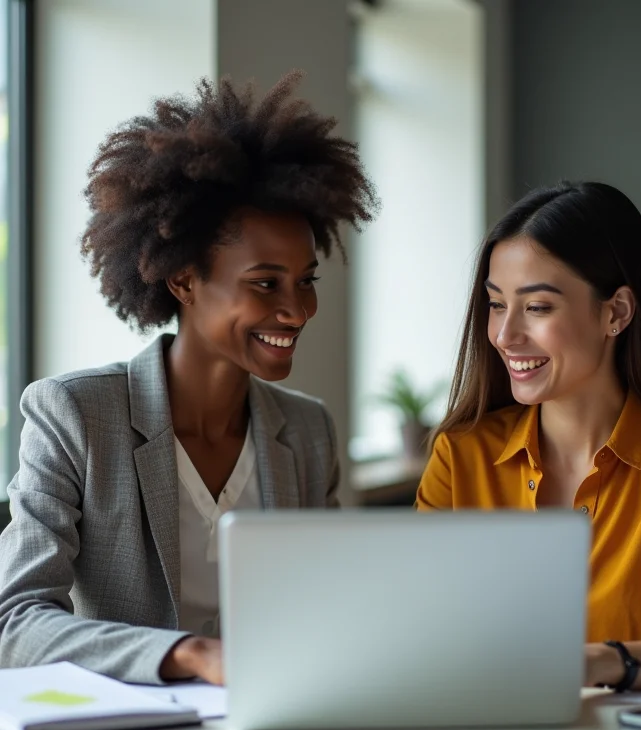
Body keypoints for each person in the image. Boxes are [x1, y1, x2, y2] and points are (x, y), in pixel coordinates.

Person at [0, 72, 377, 685]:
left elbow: (326, 609)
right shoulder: (73, 414)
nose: (297, 309)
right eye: (265, 283)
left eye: (306, 280)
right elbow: (14, 622)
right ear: (184, 281)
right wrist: (191, 656)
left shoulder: (308, 431)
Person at [417, 181, 641, 692]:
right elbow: (420, 626)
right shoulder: (460, 454)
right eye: (496, 305)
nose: (504, 335)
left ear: (615, 313)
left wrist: (597, 664)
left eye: (537, 308)